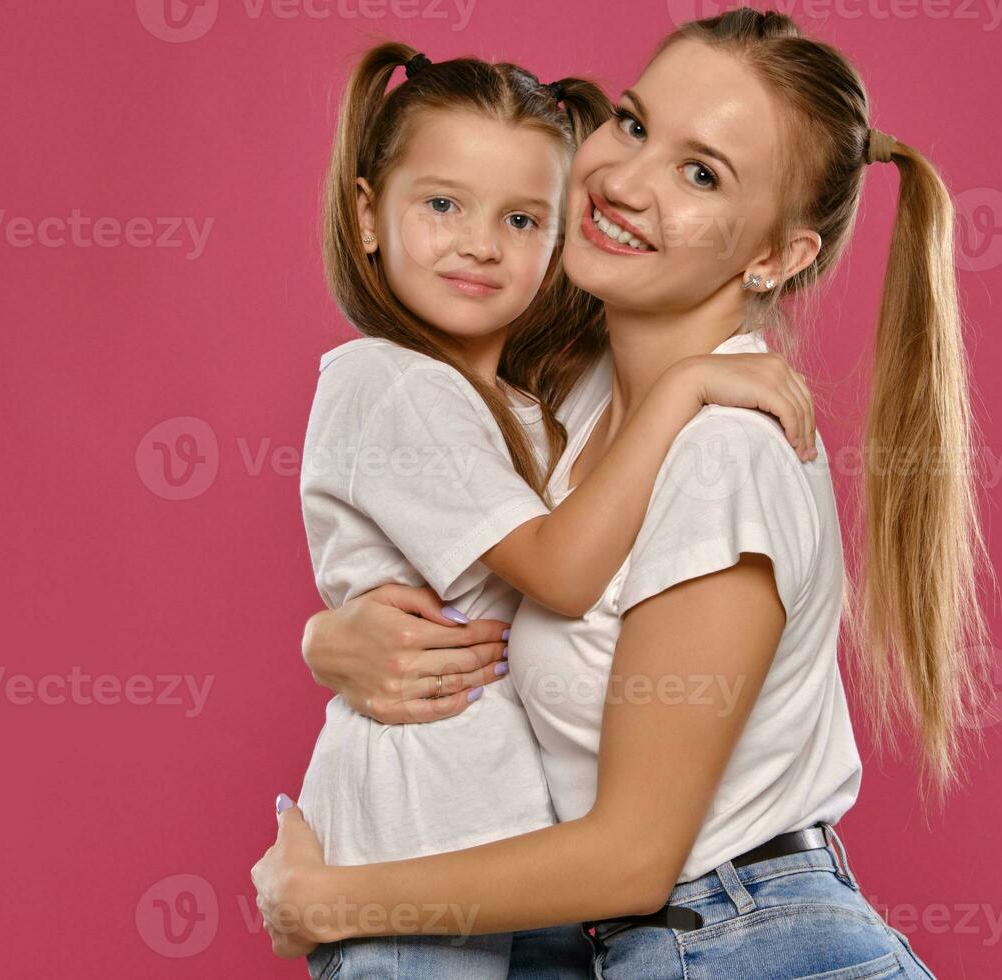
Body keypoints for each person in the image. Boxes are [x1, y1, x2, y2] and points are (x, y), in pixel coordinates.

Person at [292, 37, 822, 978]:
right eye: (632, 125)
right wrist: (327, 638)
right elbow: (539, 567)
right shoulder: (528, 403)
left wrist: (319, 901)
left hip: (668, 920)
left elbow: (555, 576)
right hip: (478, 881)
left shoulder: (685, 433)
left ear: (778, 256)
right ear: (368, 215)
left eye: (700, 171)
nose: (480, 242)